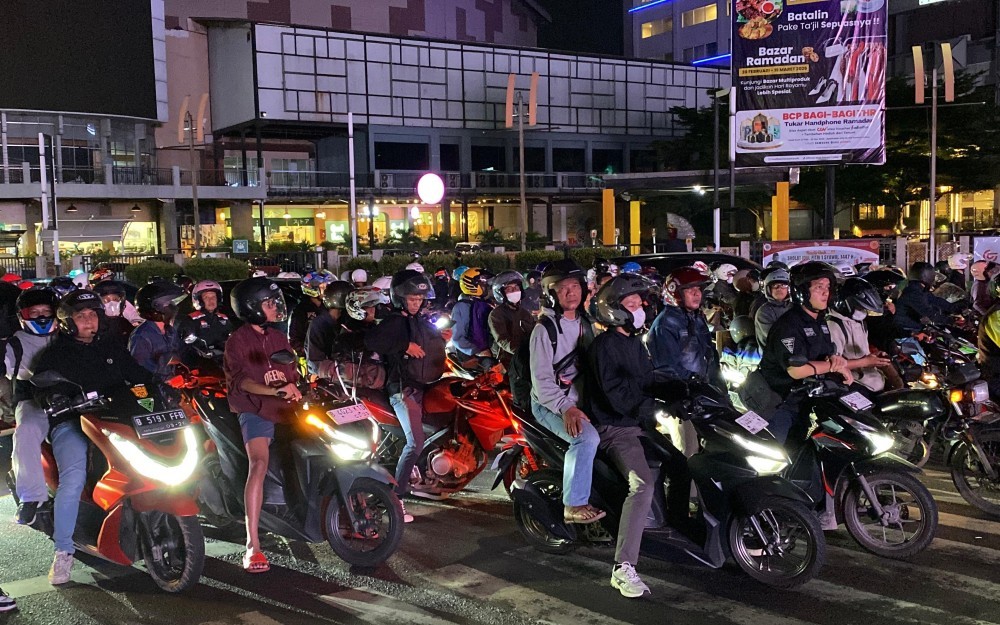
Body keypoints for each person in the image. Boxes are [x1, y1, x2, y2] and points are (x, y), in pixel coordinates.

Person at [33, 289, 158, 584]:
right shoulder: (56, 354)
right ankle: (63, 551)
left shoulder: (112, 346)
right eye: (81, 316)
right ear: (68, 322)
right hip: (73, 422)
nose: (89, 321)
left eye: (93, 315)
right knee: (73, 478)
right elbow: (41, 388)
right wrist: (55, 398)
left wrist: (160, 385)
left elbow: (137, 373)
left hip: (116, 419)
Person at [587, 274, 692, 598]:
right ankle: (623, 567)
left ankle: (675, 527)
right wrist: (652, 405)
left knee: (681, 463)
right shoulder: (605, 347)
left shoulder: (634, 341)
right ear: (614, 310)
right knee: (641, 483)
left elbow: (645, 380)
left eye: (640, 303)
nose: (640, 309)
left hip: (636, 422)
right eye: (632, 304)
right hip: (615, 427)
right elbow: (618, 395)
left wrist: (681, 387)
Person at [224, 277, 302, 573]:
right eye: (269, 304)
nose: (275, 308)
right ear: (252, 308)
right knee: (258, 464)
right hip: (256, 410)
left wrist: (295, 386)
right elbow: (241, 382)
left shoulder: (279, 337)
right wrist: (274, 391)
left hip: (287, 408)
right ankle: (252, 543)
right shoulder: (238, 341)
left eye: (274, 302)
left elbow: (291, 370)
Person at [365, 269, 446, 522]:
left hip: (422, 386)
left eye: (419, 299)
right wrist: (403, 346)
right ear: (400, 298)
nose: (416, 303)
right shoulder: (393, 322)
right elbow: (372, 342)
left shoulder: (417, 320)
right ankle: (396, 499)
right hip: (402, 390)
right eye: (412, 299)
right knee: (415, 442)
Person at [529, 259, 604, 525]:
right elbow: (542, 382)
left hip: (579, 398)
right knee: (586, 439)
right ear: (551, 293)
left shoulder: (585, 323)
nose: (571, 293)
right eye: (563, 288)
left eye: (575, 286)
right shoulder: (544, 330)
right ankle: (573, 504)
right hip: (550, 404)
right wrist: (567, 408)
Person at [758, 262, 853, 444]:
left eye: (827, 287)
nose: (826, 292)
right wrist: (835, 365)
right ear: (802, 291)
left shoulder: (820, 322)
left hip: (803, 400)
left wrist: (835, 361)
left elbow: (822, 355)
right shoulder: (788, 325)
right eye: (819, 287)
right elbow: (797, 370)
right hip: (778, 402)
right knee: (776, 458)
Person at [5, 288, 59, 526]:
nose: (41, 317)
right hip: (32, 401)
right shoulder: (13, 344)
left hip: (74, 399)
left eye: (46, 311)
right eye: (34, 312)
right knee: (26, 430)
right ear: (22, 316)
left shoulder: (68, 335)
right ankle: (31, 498)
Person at [647, 266, 724, 389]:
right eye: (689, 289)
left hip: (706, 390)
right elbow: (668, 370)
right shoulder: (665, 325)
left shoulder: (696, 317)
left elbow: (710, 355)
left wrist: (719, 387)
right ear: (675, 293)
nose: (697, 293)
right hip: (687, 396)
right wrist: (696, 385)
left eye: (699, 288)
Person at [826, 277, 892, 394]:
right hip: (855, 385)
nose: (863, 311)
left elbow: (860, 353)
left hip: (873, 381)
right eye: (860, 307)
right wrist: (866, 362)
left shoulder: (859, 321)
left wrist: (874, 357)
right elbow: (833, 366)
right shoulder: (834, 325)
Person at [128, 281, 187, 380]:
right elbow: (141, 369)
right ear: (155, 307)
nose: (173, 307)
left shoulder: (171, 331)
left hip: (176, 385)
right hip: (156, 389)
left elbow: (181, 355)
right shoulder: (141, 336)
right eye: (168, 303)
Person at [893, 262, 965, 333]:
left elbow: (936, 300)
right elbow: (929, 312)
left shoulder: (918, 288)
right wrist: (951, 321)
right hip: (908, 330)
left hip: (912, 328)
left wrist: (958, 309)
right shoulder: (914, 292)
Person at [305, 281, 355, 378]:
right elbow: (314, 361)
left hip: (350, 379)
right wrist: (337, 370)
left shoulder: (350, 321)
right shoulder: (319, 324)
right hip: (330, 381)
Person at [177, 280, 233, 363]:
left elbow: (232, 337)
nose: (211, 300)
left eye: (213, 297)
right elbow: (187, 338)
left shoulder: (223, 318)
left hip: (223, 361)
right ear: (199, 300)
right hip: (200, 363)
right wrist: (202, 348)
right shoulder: (191, 319)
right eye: (206, 297)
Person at [488, 270, 535, 368]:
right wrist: (522, 351)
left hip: (529, 358)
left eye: (516, 287)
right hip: (508, 361)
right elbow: (503, 340)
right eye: (509, 289)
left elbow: (533, 333)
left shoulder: (524, 313)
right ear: (501, 293)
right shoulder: (496, 314)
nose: (514, 291)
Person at [450, 267, 494, 361]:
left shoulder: (486, 303)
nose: (486, 284)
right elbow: (456, 337)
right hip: (473, 358)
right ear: (471, 284)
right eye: (482, 281)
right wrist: (477, 351)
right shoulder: (461, 307)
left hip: (489, 351)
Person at [289, 271, 333, 356]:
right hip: (309, 360)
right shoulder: (301, 310)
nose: (327, 290)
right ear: (313, 289)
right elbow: (294, 338)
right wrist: (307, 353)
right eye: (323, 286)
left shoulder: (329, 307)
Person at [754, 267, 792, 348]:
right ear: (768, 289)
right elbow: (776, 338)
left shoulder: (794, 307)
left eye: (783, 285)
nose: (779, 288)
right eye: (775, 285)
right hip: (772, 357)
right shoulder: (764, 312)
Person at [92, 280, 137, 346]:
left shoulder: (126, 325)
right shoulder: (93, 328)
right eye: (106, 300)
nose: (111, 304)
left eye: (115, 299)